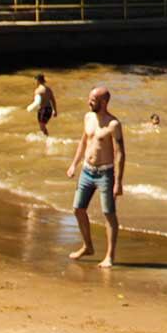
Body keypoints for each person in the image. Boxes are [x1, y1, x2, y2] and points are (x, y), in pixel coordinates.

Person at [66, 86, 126, 268]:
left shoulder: (113, 124)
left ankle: (109, 256)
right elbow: (84, 141)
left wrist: (118, 182)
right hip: (86, 170)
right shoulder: (88, 117)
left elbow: (120, 153)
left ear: (104, 102)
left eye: (92, 99)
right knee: (77, 209)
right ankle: (88, 246)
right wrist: (73, 164)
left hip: (105, 173)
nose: (88, 102)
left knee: (108, 213)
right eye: (89, 98)